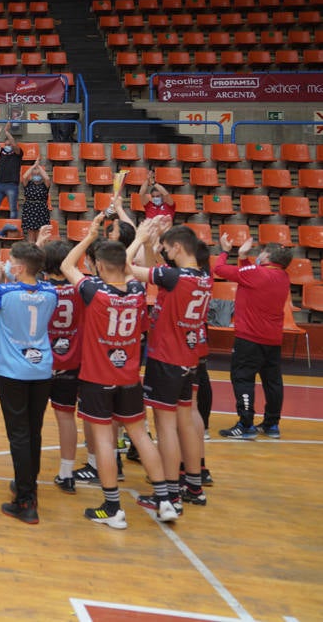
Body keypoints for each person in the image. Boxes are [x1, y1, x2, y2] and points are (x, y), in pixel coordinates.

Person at [61, 214, 176, 529]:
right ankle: (165, 500)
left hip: (98, 379)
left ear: (98, 265)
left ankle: (113, 508)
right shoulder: (138, 290)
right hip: (128, 378)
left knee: (104, 442)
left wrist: (90, 235)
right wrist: (139, 238)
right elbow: (125, 269)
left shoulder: (95, 292)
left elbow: (66, 267)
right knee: (140, 435)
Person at [126, 221, 212, 508]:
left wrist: (138, 239)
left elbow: (123, 267)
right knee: (185, 421)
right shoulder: (202, 276)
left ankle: (171, 494)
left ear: (177, 247)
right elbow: (157, 274)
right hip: (188, 359)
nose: (165, 253)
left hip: (166, 358)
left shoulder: (174, 276)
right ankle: (194, 487)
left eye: (166, 249)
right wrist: (152, 247)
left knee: (165, 425)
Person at [0, 241, 56, 524]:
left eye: (11, 262)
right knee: (34, 432)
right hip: (42, 368)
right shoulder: (51, 291)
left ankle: (25, 499)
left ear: (19, 268)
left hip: (13, 371)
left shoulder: (5, 292)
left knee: (19, 435)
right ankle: (28, 484)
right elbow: (36, 285)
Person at [213, 234, 291, 440]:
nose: (259, 255)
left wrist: (225, 251)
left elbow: (219, 269)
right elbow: (248, 276)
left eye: (261, 252)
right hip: (272, 339)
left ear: (267, 257)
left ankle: (246, 424)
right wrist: (243, 257)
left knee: (242, 378)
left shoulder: (257, 273)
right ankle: (272, 424)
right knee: (272, 381)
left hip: (250, 339)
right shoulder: (283, 277)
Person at [39, 233, 83, 492]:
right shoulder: (81, 288)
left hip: (41, 362)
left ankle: (28, 471)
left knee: (34, 419)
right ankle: (67, 473)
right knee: (67, 417)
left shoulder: (41, 289)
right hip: (71, 360)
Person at [0, 127, 24, 232]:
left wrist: (7, 133)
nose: (8, 146)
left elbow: (14, 144)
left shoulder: (18, 153)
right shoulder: (2, 152)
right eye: (6, 144)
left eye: (9, 144)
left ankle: (12, 228)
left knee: (13, 209)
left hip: (12, 185)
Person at [21, 160, 52, 242]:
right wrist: (33, 166)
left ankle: (39, 251)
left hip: (41, 210)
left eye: (38, 174)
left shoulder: (45, 184)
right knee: (30, 232)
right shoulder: (28, 184)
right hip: (29, 209)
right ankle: (31, 252)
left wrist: (39, 167)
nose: (36, 175)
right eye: (34, 174)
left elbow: (47, 178)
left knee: (40, 232)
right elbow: (24, 177)